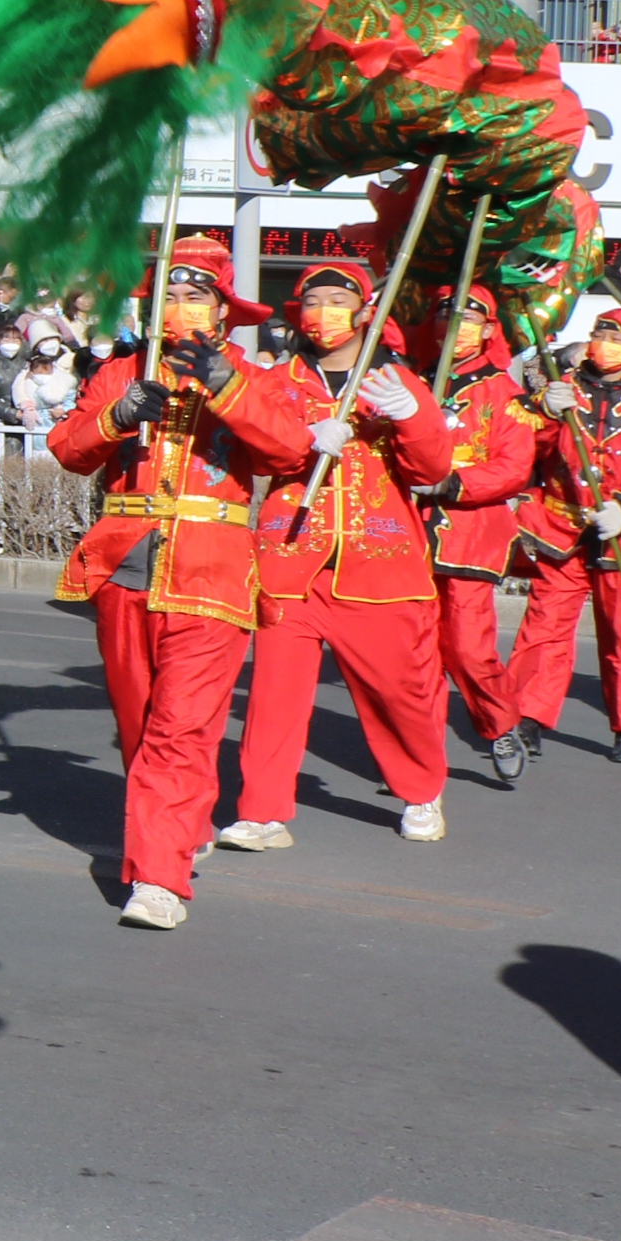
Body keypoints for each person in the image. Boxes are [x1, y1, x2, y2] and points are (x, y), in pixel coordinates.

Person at [45, 236, 310, 930]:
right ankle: (181, 824)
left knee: (181, 728)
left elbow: (289, 448)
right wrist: (117, 415)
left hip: (213, 569)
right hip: (126, 563)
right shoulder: (121, 372)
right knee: (140, 725)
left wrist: (225, 385)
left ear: (223, 310)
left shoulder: (256, 376)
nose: (181, 308)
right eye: (171, 295)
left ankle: (159, 879)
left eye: (197, 296)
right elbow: (68, 451)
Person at [228, 261, 461, 848]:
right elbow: (257, 459)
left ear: (365, 310)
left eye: (339, 300)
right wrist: (301, 441)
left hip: (380, 563)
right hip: (290, 557)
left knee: (398, 692)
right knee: (275, 694)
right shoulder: (273, 382)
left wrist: (412, 418)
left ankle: (421, 789)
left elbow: (432, 469)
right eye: (314, 301)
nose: (325, 313)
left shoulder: (396, 381)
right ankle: (263, 811)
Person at [510, 306, 621, 764]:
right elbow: (526, 446)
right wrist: (545, 412)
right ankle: (526, 717)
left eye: (615, 339)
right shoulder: (564, 389)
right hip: (561, 525)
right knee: (545, 628)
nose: (604, 346)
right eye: (598, 335)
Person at [412, 285, 541, 786]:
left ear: (488, 330)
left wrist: (453, 482)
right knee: (414, 653)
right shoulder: (411, 382)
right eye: (447, 317)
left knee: (468, 647)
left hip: (469, 533)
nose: (456, 327)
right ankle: (420, 754)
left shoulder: (503, 393)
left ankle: (499, 722)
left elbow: (513, 466)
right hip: (407, 530)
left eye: (468, 319)